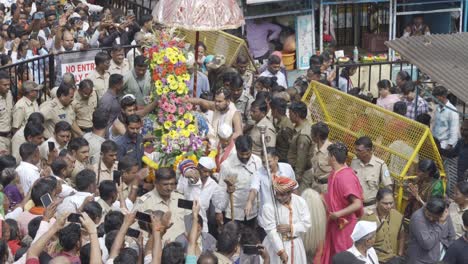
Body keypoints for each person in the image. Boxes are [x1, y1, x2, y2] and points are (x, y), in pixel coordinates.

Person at [321, 142, 364, 264]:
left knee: (343, 257)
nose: (326, 158)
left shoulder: (345, 176)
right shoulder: (335, 173)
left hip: (345, 226)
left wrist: (338, 214)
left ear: (333, 157)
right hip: (336, 224)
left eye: (328, 155)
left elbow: (357, 203)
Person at [261, 176, 311, 264]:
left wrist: (291, 228)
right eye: (277, 194)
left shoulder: (300, 202)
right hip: (275, 247)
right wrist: (281, 251)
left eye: (282, 194)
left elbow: (306, 223)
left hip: (296, 245)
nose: (279, 197)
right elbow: (271, 232)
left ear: (290, 193)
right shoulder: (268, 206)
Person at [133, 167, 190, 244]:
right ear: (155, 183)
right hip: (157, 250)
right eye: (165, 184)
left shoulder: (181, 198)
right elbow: (135, 229)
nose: (169, 188)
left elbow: (192, 222)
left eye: (172, 184)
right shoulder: (144, 203)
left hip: (182, 250)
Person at [217, 135, 262, 227]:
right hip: (233, 213)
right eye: (242, 154)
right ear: (236, 150)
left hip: (252, 212)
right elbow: (221, 188)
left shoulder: (257, 162)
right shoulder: (227, 165)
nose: (245, 157)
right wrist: (218, 211)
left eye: (247, 154)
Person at [246, 147, 296, 225]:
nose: (266, 165)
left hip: (286, 214)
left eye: (268, 162)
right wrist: (249, 202)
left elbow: (294, 188)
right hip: (267, 218)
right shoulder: (258, 173)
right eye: (263, 162)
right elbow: (254, 189)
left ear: (276, 159)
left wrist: (296, 206)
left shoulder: (287, 168)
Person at [177, 158, 222, 234]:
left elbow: (219, 203)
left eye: (209, 172)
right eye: (205, 171)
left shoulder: (213, 184)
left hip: (202, 224)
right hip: (183, 220)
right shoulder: (187, 176)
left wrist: (218, 212)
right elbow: (178, 195)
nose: (207, 174)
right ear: (198, 167)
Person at [361, 188, 405, 262]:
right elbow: (361, 243)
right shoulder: (367, 218)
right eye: (385, 203)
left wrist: (399, 254)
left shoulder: (397, 216)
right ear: (377, 202)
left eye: (391, 203)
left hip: (393, 259)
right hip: (374, 260)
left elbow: (402, 236)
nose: (389, 206)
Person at [407, 197, 455, 264]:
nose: (431, 219)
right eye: (429, 215)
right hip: (421, 260)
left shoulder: (444, 215)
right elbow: (427, 244)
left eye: (435, 217)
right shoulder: (418, 218)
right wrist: (440, 224)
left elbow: (452, 236)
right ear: (426, 208)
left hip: (440, 258)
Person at [351, 136, 392, 211]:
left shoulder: (380, 165)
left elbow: (388, 189)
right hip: (352, 206)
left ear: (368, 150)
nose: (355, 152)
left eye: (359, 150)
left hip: (369, 209)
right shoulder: (354, 161)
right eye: (355, 149)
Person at [287, 101, 313, 193]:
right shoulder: (302, 126)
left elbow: (301, 159)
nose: (289, 115)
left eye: (290, 113)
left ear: (296, 115)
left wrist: (296, 178)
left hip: (302, 174)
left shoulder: (303, 135)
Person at [432, 86, 460, 150]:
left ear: (443, 97)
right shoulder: (437, 108)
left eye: (436, 97)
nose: (433, 99)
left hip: (444, 146)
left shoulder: (452, 111)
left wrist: (449, 146)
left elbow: (454, 132)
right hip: (434, 143)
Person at [270, 97, 294, 162]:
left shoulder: (286, 127)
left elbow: (290, 146)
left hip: (284, 158)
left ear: (275, 110)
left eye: (272, 110)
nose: (271, 112)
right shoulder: (279, 122)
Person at [0, 70, 13, 154]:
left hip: (10, 136)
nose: (8, 87)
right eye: (5, 85)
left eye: (9, 84)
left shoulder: (9, 94)